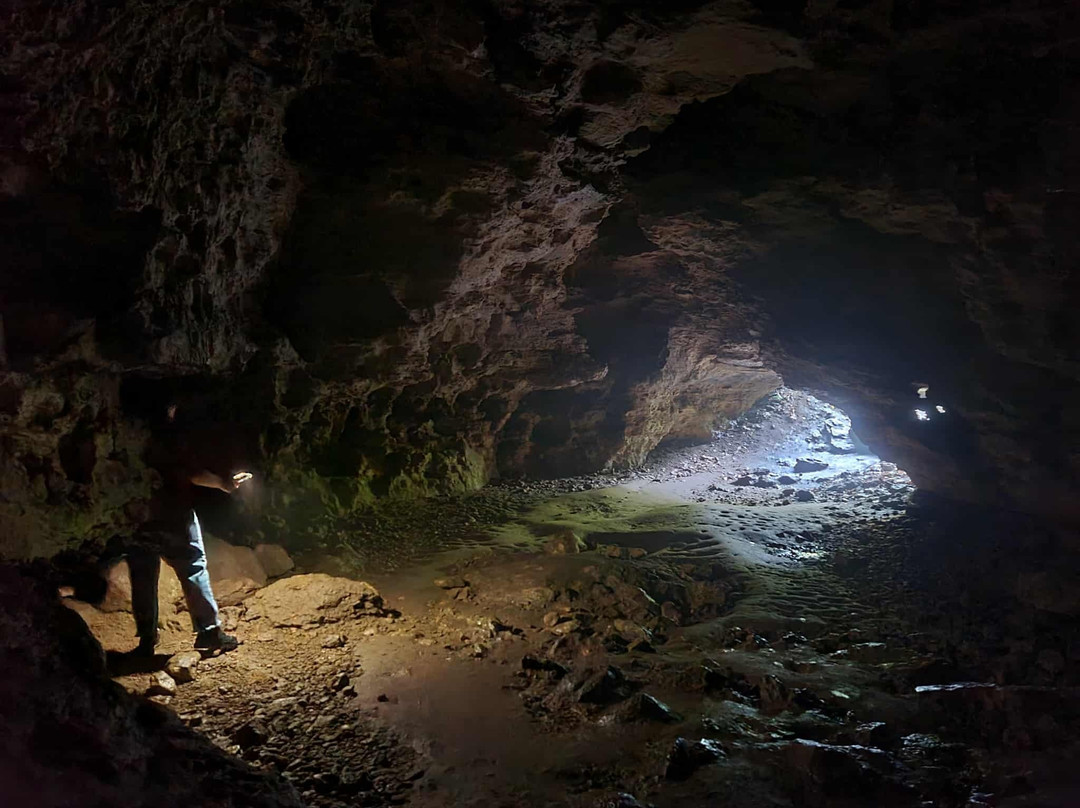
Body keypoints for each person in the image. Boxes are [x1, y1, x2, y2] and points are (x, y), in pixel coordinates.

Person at [130, 402, 243, 655]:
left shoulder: (127, 437)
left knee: (142, 573)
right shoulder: (171, 439)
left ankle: (147, 639)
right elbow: (190, 472)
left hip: (135, 514)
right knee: (192, 564)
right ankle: (209, 633)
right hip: (172, 511)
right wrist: (223, 484)